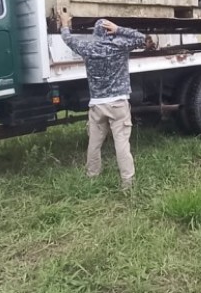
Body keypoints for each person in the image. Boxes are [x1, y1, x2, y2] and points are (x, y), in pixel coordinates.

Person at [59, 12, 148, 190]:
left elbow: (67, 39)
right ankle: (127, 183)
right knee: (121, 143)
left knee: (94, 142)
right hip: (118, 103)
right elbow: (142, 38)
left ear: (95, 33)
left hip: (97, 104)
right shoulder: (120, 46)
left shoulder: (87, 48)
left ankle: (92, 175)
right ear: (109, 32)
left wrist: (64, 23)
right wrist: (119, 29)